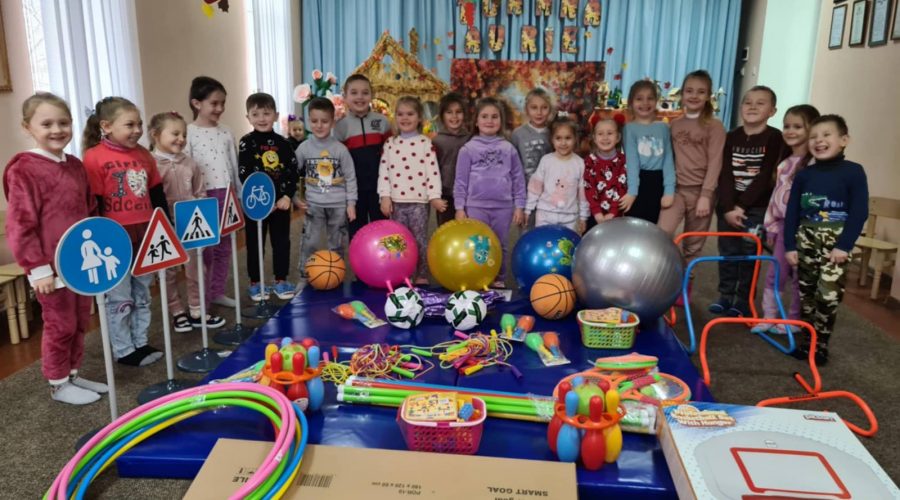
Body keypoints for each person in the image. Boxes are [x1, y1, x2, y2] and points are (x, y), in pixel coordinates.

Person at [3, 92, 106, 404]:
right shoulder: (24, 169)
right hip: (49, 267)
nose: (57, 130)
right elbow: (20, 225)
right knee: (59, 324)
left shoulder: (74, 165)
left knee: (79, 320)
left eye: (63, 122)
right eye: (46, 124)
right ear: (28, 127)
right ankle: (58, 383)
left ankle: (72, 373)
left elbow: (89, 212)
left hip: (79, 263)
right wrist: (37, 268)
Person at [82, 96, 167, 367]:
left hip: (144, 235)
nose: (137, 130)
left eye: (140, 124)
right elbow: (92, 203)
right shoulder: (94, 157)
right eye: (129, 124)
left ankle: (140, 342)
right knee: (120, 297)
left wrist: (165, 229)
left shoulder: (144, 155)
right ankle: (124, 349)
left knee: (143, 292)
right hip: (113, 241)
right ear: (106, 126)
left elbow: (157, 195)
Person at [784, 115, 868, 365]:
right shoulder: (804, 175)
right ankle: (807, 342)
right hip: (806, 238)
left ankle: (821, 345)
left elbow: (859, 211)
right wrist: (790, 245)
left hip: (836, 243)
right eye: (814, 137)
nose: (819, 141)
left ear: (844, 140)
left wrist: (845, 245)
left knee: (828, 296)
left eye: (826, 135)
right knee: (806, 294)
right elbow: (792, 213)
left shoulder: (853, 172)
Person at [712, 86, 788, 317]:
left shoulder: (775, 138)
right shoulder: (731, 137)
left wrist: (741, 206)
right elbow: (724, 173)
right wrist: (727, 207)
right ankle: (725, 295)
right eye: (747, 102)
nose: (752, 106)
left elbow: (766, 176)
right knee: (727, 251)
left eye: (760, 103)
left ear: (772, 110)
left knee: (748, 252)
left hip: (756, 208)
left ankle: (743, 299)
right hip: (727, 207)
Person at [148, 111, 226, 332]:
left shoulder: (191, 163)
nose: (181, 139)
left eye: (183, 134)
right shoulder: (150, 165)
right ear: (155, 135)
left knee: (196, 268)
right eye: (175, 134)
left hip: (192, 226)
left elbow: (200, 193)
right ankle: (176, 311)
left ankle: (197, 309)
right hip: (165, 227)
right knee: (169, 272)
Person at [658, 70, 727, 305]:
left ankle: (686, 283)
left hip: (701, 192)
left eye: (701, 91)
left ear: (708, 96)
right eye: (689, 91)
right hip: (676, 190)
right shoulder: (673, 125)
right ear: (681, 94)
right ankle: (666, 278)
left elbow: (716, 161)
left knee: (693, 243)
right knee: (663, 233)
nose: (694, 96)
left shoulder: (714, 126)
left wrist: (706, 195)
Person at [752, 105, 820, 335]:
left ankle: (794, 320)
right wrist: (770, 224)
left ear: (812, 129)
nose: (790, 131)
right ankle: (769, 316)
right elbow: (775, 198)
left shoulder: (814, 165)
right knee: (776, 272)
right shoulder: (784, 163)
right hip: (783, 228)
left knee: (799, 276)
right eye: (787, 126)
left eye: (798, 126)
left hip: (806, 230)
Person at [454, 97, 527, 288]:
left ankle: (499, 279)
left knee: (500, 244)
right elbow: (460, 181)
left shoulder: (508, 148)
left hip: (503, 207)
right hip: (476, 206)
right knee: (479, 245)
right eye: (484, 116)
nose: (489, 120)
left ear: (501, 121)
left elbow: (518, 179)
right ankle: (480, 277)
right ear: (476, 121)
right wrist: (459, 207)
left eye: (495, 117)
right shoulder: (467, 149)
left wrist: (519, 206)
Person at [238, 92, 300, 301]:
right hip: (256, 204)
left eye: (266, 113)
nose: (262, 118)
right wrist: (262, 201)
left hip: (281, 205)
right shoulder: (246, 142)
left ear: (276, 115)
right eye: (255, 114)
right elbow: (244, 173)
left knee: (282, 242)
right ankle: (255, 283)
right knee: (255, 243)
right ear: (248, 117)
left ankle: (280, 280)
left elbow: (292, 172)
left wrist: (287, 197)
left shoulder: (284, 143)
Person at [378, 96, 446, 283]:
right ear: (395, 117)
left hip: (419, 201)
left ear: (419, 118)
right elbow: (384, 172)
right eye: (400, 114)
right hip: (397, 202)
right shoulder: (390, 144)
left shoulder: (425, 143)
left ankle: (421, 274)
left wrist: (434, 196)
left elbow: (433, 171)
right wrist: (385, 196)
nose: (405, 118)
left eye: (410, 114)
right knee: (398, 240)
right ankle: (402, 271)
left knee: (418, 239)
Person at [185, 76, 240, 308]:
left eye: (222, 103)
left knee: (224, 248)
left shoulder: (226, 132)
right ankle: (202, 298)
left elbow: (233, 165)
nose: (220, 108)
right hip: (202, 199)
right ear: (197, 103)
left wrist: (237, 194)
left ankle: (217, 291)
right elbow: (185, 167)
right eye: (214, 103)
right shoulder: (188, 132)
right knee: (204, 251)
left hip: (226, 195)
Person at [294, 97, 357, 282]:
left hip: (339, 205)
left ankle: (336, 276)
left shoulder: (340, 150)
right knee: (310, 242)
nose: (319, 126)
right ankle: (304, 276)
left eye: (324, 121)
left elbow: (350, 177)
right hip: (314, 204)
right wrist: (295, 198)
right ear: (308, 121)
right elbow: (291, 174)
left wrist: (351, 203)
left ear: (332, 122)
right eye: (314, 121)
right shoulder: (304, 148)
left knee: (336, 243)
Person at [334, 74, 390, 240]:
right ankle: (360, 264)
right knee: (356, 231)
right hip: (354, 191)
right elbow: (337, 162)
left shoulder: (383, 121)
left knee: (382, 230)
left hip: (379, 188)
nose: (360, 97)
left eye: (365, 92)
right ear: (345, 97)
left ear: (371, 96)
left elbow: (391, 154)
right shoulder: (340, 127)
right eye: (354, 92)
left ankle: (384, 264)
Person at [621, 80, 675, 223]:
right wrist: (632, 191)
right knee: (636, 224)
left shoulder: (663, 127)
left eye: (650, 98)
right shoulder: (629, 128)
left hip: (659, 181)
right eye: (639, 98)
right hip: (638, 180)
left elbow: (668, 160)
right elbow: (631, 162)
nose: (645, 103)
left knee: (655, 225)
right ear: (631, 103)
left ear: (656, 101)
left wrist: (669, 190)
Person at [524, 115, 589, 232]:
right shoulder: (546, 160)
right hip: (545, 214)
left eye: (568, 138)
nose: (563, 143)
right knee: (543, 243)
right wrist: (528, 209)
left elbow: (583, 194)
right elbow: (535, 187)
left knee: (566, 246)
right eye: (558, 138)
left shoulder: (580, 163)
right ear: (552, 140)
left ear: (575, 139)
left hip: (570, 216)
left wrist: (583, 217)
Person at [583, 115, 628, 229]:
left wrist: (613, 212)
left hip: (616, 215)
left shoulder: (623, 160)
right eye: (600, 133)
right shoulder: (589, 161)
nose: (605, 137)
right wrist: (597, 213)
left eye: (610, 133)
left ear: (618, 137)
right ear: (594, 137)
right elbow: (588, 188)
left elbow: (621, 187)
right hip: (594, 215)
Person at [431, 92, 469, 226]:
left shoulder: (470, 139)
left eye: (458, 112)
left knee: (467, 229)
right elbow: (432, 170)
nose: (454, 116)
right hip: (445, 194)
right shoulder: (437, 141)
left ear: (464, 115)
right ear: (442, 116)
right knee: (446, 228)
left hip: (467, 194)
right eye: (449, 112)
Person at [511, 88, 554, 183]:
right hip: (525, 189)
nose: (539, 112)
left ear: (550, 109)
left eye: (544, 107)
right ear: (526, 109)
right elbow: (513, 166)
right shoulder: (517, 134)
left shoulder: (554, 133)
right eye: (534, 107)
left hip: (549, 189)